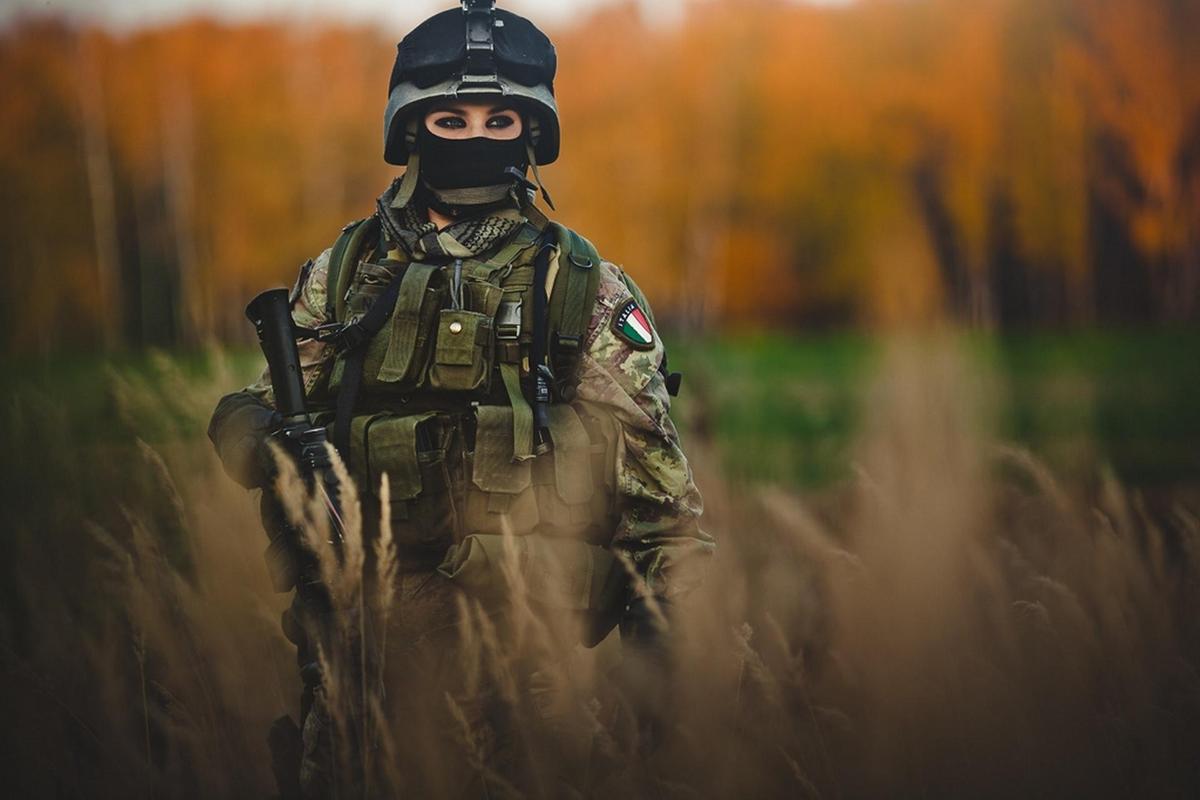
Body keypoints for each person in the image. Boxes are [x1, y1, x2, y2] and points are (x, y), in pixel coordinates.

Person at [208, 2, 713, 796]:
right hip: (358, 676)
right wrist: (253, 433)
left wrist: (666, 681)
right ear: (411, 128)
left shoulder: (578, 285)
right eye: (451, 117)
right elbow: (260, 401)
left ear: (533, 131)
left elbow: (663, 514)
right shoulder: (342, 273)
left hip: (529, 690)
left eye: (499, 117)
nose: (476, 133)